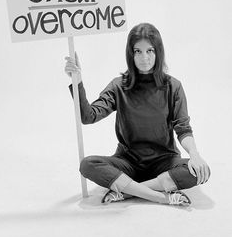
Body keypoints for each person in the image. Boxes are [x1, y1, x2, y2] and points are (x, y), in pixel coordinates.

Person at [64, 23, 210, 206]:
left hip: (164, 161)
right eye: (138, 51)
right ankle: (161, 196)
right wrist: (77, 82)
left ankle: (126, 192)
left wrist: (195, 155)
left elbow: (183, 128)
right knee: (87, 165)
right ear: (130, 54)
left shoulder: (173, 86)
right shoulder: (119, 86)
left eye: (150, 51)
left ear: (158, 52)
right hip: (128, 163)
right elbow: (88, 116)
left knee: (199, 171)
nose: (145, 58)